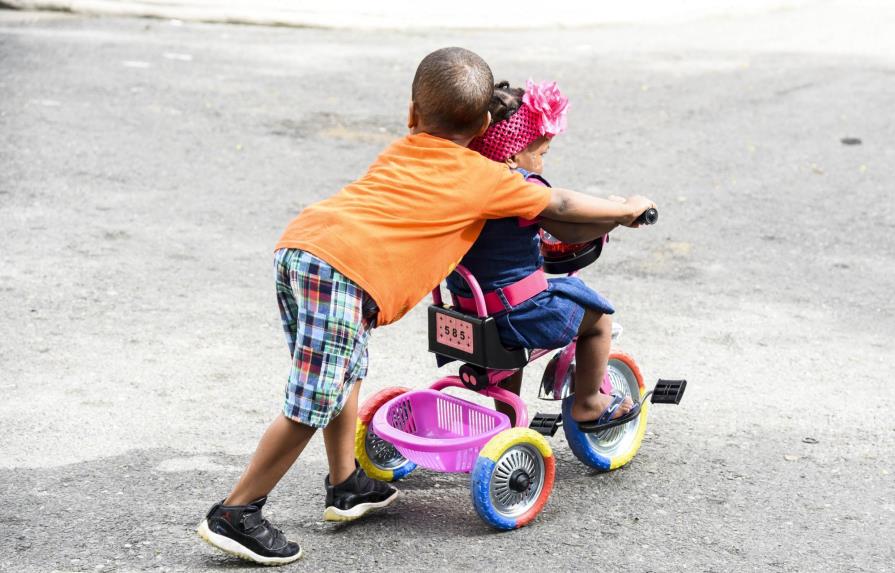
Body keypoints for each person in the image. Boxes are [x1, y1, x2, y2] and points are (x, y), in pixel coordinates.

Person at [197, 48, 653, 566]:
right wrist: (625, 210)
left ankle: (346, 483)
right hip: (343, 270)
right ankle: (238, 512)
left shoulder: (404, 147)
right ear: (484, 124)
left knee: (343, 375)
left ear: (412, 113)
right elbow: (563, 208)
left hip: (303, 247)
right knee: (314, 399)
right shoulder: (486, 180)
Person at [447, 79, 655, 430]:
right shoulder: (518, 188)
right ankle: (590, 402)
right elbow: (569, 224)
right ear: (512, 155)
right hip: (514, 312)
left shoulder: (463, 182)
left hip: (467, 307)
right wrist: (620, 214)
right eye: (540, 154)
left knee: (509, 351)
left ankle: (506, 424)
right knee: (597, 319)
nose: (541, 165)